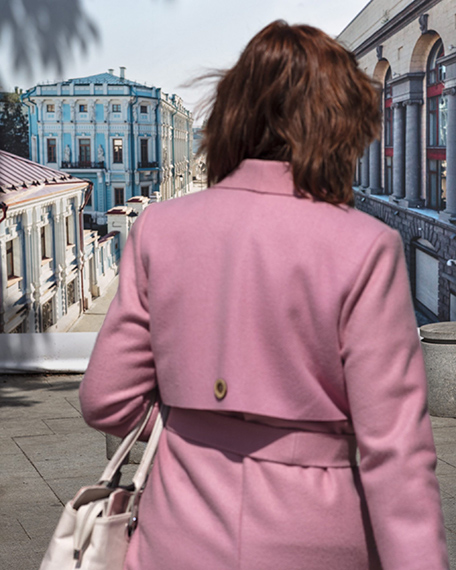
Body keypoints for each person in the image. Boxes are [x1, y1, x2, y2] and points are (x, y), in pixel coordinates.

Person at [80, 21, 449, 570]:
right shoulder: (367, 245)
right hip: (318, 541)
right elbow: (395, 455)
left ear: (232, 115)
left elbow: (105, 398)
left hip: (176, 539)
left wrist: (193, 429)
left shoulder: (160, 227)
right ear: (342, 126)